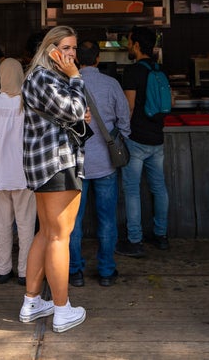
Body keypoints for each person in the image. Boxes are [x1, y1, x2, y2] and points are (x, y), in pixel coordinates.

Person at [19, 26, 88, 333]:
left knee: (46, 234)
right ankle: (62, 310)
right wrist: (76, 78)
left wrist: (76, 108)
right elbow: (74, 109)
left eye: (75, 49)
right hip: (58, 162)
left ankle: (32, 303)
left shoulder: (40, 78)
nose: (72, 54)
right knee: (60, 236)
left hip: (43, 164)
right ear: (51, 49)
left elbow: (72, 113)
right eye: (67, 47)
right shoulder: (45, 77)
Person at [69, 40, 131, 288]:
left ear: (76, 60)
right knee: (107, 220)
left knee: (73, 222)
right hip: (106, 162)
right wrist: (119, 138)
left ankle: (75, 271)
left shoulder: (68, 86)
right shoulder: (111, 84)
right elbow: (124, 120)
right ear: (97, 59)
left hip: (76, 164)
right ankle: (106, 270)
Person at [0, 57, 35, 285]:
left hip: (1, 172)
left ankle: (2, 270)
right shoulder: (30, 102)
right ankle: (25, 271)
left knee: (2, 222)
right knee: (26, 224)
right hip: (25, 173)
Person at [117, 25, 169, 258]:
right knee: (159, 188)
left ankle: (135, 240)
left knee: (132, 190)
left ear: (137, 45)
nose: (128, 46)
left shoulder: (133, 72)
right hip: (157, 138)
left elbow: (128, 107)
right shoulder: (159, 69)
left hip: (136, 140)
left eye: (129, 42)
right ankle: (161, 236)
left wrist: (121, 132)